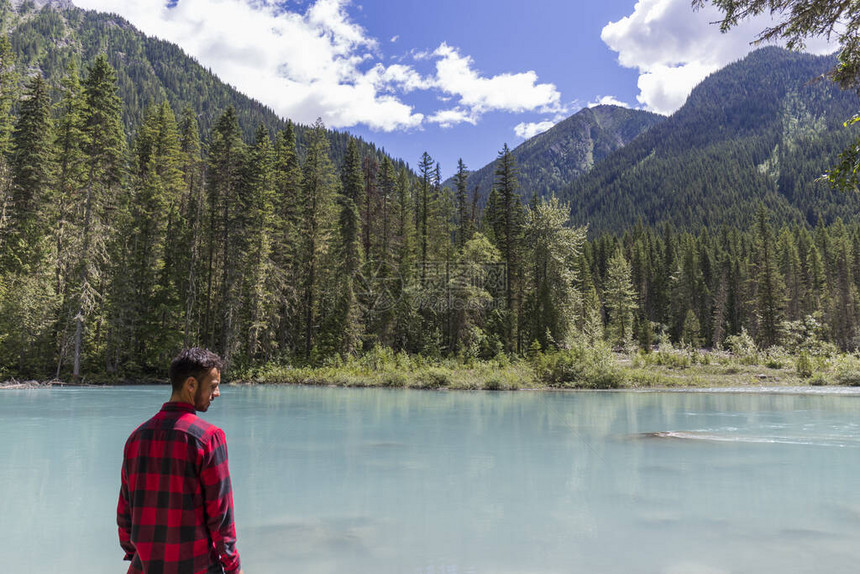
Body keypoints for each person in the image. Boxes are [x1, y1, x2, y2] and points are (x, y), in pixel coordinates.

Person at [117, 347, 244, 574]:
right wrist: (233, 567)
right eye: (213, 386)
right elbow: (221, 516)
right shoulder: (209, 438)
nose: (217, 393)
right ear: (191, 385)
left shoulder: (136, 437)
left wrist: (137, 555)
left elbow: (125, 512)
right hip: (197, 567)